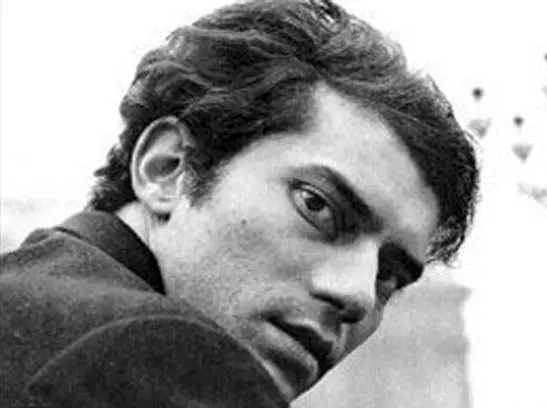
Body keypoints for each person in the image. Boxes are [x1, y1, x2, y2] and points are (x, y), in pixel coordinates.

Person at [0, 0, 480, 407]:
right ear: (167, 168)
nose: (358, 296)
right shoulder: (169, 360)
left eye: (388, 277)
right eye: (317, 206)